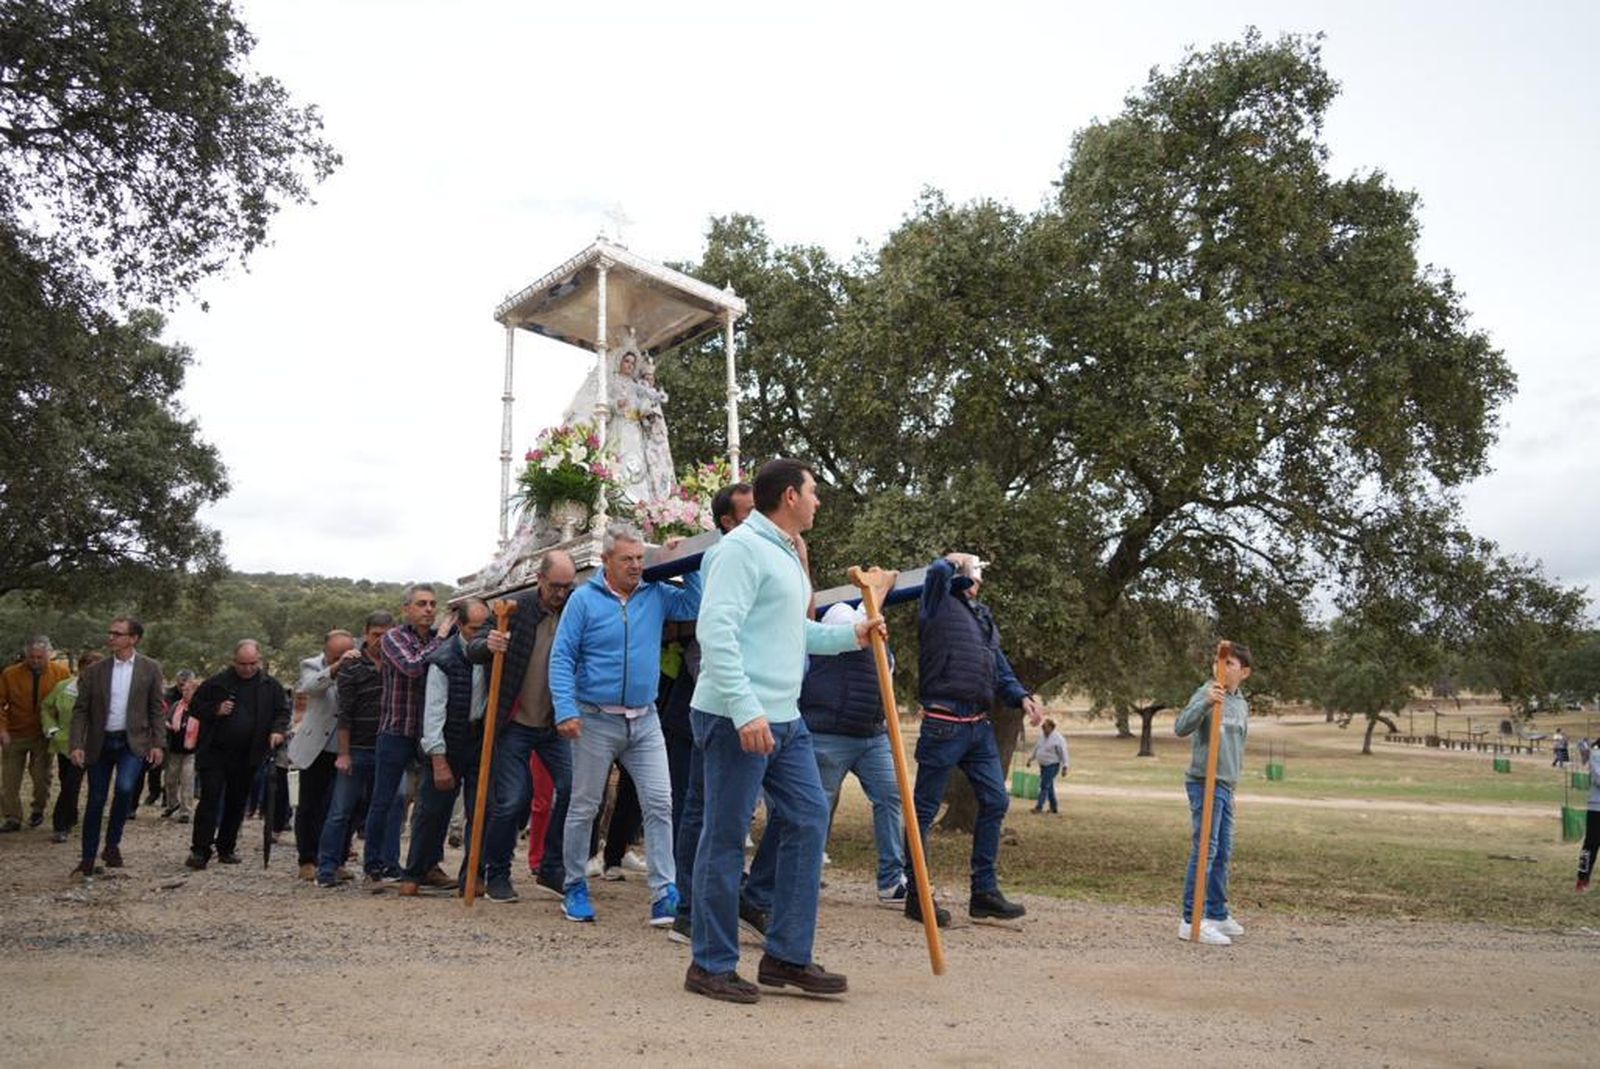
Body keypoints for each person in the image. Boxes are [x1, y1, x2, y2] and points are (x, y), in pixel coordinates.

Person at [685, 458, 880, 1004]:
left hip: (786, 717)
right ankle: (710, 963)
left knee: (809, 818)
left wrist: (853, 637)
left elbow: (790, 632)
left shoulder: (786, 553)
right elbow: (716, 632)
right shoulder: (738, 550)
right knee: (724, 838)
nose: (819, 501)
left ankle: (786, 956)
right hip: (735, 716)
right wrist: (746, 711)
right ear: (790, 496)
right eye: (814, 492)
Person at [550, 523, 702, 925]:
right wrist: (565, 709)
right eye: (627, 560)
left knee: (660, 803)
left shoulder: (656, 594)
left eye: (640, 558)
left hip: (645, 719)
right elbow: (562, 657)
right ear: (606, 561)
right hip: (594, 720)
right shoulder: (583, 600)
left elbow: (695, 604)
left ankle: (663, 892)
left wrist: (683, 562)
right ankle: (574, 886)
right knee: (584, 806)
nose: (636, 566)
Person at [906, 551, 1043, 927]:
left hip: (978, 726)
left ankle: (983, 893)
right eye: (976, 571)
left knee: (995, 801)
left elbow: (1001, 670)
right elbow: (934, 572)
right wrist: (951, 559)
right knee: (923, 811)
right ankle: (917, 898)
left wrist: (1023, 697)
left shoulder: (982, 617)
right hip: (943, 723)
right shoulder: (936, 601)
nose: (979, 579)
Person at [668, 481, 754, 943]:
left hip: (760, 708)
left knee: (773, 812)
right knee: (700, 811)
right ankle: (689, 908)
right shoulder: (723, 558)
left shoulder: (763, 554)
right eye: (748, 511)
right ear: (727, 522)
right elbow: (711, 637)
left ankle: (746, 898)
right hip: (716, 707)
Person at [471, 550, 579, 904]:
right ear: (540, 580)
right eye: (556, 586)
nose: (561, 593)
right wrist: (488, 644)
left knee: (573, 788)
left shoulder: (575, 610)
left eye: (568, 586)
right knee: (513, 799)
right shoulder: (512, 609)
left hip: (554, 722)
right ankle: (497, 872)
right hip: (513, 723)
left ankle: (551, 868)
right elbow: (471, 647)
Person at [793, 601, 909, 907]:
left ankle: (891, 880)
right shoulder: (822, 648)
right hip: (828, 735)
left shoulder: (881, 650)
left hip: (873, 736)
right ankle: (805, 872)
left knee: (891, 796)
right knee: (819, 807)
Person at [399, 598, 490, 896]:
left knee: (480, 810)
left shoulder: (493, 653)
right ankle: (415, 871)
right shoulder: (443, 659)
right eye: (474, 629)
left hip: (480, 739)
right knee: (431, 810)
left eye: (484, 628)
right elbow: (433, 712)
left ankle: (472, 875)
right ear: (460, 626)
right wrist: (438, 758)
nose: (480, 635)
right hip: (448, 741)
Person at [69, 616, 166, 877]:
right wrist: (76, 743)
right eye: (110, 632)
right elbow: (81, 711)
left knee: (125, 789)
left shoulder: (150, 668)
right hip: (100, 742)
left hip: (132, 742)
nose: (111, 637)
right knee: (96, 799)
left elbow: (157, 709)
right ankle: (88, 857)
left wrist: (158, 743)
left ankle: (112, 844)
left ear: (133, 639)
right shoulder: (95, 671)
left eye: (118, 633)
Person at [369, 584, 454, 881]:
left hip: (428, 733)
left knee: (433, 801)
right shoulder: (393, 637)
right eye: (421, 604)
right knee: (387, 800)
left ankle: (426, 863)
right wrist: (442, 637)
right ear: (407, 609)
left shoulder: (439, 639)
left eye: (432, 604)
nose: (429, 609)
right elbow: (413, 667)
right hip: (396, 731)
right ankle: (376, 866)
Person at [1173, 643, 1254, 945]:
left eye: (1229, 663)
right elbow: (1181, 727)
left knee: (1222, 851)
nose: (1221, 668)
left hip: (1225, 785)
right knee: (1205, 849)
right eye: (1219, 662)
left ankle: (1217, 913)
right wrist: (1205, 703)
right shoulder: (1207, 691)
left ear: (1244, 672)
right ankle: (1190, 919)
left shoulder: (1241, 703)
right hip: (1203, 781)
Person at [185, 640, 289, 869]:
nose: (248, 668)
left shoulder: (270, 686)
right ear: (234, 661)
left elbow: (282, 712)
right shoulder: (217, 682)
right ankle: (200, 850)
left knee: (237, 801)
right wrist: (215, 709)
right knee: (210, 799)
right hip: (215, 753)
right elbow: (194, 707)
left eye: (252, 663)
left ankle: (226, 847)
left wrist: (277, 731)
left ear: (259, 661)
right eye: (243, 664)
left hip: (249, 755)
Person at [315, 612, 395, 888]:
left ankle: (374, 868)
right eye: (375, 634)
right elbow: (344, 713)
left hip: (386, 748)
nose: (380, 640)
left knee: (379, 810)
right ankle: (326, 867)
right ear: (366, 633)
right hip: (357, 748)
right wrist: (344, 753)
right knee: (340, 810)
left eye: (386, 633)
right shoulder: (352, 666)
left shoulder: (397, 663)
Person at [291, 630, 358, 880]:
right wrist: (338, 667)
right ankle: (307, 859)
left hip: (346, 748)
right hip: (316, 749)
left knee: (343, 808)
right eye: (336, 655)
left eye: (346, 652)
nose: (343, 658)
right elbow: (309, 687)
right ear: (326, 653)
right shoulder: (311, 665)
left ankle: (335, 859)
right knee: (310, 806)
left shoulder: (362, 665)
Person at [1, 635, 71, 831]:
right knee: (9, 780)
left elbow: (65, 703)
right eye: (31, 657)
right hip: (14, 734)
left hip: (43, 735)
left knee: (41, 777)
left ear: (49, 655)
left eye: (40, 657)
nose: (35, 661)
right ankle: (12, 817)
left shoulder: (61, 673)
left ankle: (38, 809)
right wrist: (2, 729)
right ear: (26, 655)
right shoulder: (10, 674)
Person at [39, 650, 102, 843]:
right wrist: (51, 729)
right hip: (66, 744)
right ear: (79, 669)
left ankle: (61, 825)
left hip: (93, 745)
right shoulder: (64, 687)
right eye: (86, 669)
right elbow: (46, 707)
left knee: (73, 784)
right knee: (68, 783)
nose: (89, 674)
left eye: (95, 670)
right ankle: (70, 816)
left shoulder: (105, 691)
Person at [161, 674, 200, 823]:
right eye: (184, 690)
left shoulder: (200, 708)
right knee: (170, 779)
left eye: (188, 690)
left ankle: (186, 811)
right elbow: (166, 718)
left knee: (187, 780)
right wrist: (168, 725)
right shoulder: (177, 705)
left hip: (191, 751)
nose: (185, 693)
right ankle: (172, 804)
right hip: (175, 749)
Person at [1027, 719, 1070, 814]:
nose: (1043, 729)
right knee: (1049, 786)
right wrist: (1030, 759)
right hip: (1043, 765)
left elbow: (1064, 753)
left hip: (1052, 765)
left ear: (1051, 727)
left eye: (1045, 727)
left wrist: (1065, 767)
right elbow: (1037, 748)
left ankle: (1039, 807)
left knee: (1044, 785)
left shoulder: (1058, 739)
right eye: (1042, 727)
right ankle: (1054, 808)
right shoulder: (1042, 736)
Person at [1575, 735, 1600, 894]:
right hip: (1596, 808)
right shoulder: (1596, 756)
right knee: (1590, 846)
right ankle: (1582, 879)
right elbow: (1599, 778)